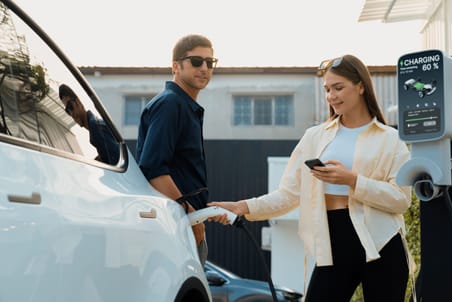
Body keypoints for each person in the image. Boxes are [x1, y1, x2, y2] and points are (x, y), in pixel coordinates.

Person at [209, 54, 413, 302]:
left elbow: (401, 200)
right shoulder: (314, 137)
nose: (331, 96)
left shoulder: (390, 139)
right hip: (333, 243)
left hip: (383, 245)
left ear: (361, 86)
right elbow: (288, 195)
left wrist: (352, 180)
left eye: (338, 88)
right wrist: (241, 207)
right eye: (327, 89)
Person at [136, 34, 218, 265]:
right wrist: (191, 216)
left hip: (182, 222)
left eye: (209, 62)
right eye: (196, 61)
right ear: (175, 66)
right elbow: (153, 168)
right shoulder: (171, 104)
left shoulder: (183, 105)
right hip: (174, 224)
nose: (204, 68)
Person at [59, 84, 120, 165]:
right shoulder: (96, 128)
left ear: (78, 102)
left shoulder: (97, 128)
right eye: (67, 111)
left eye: (70, 107)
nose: (72, 114)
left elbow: (116, 164)